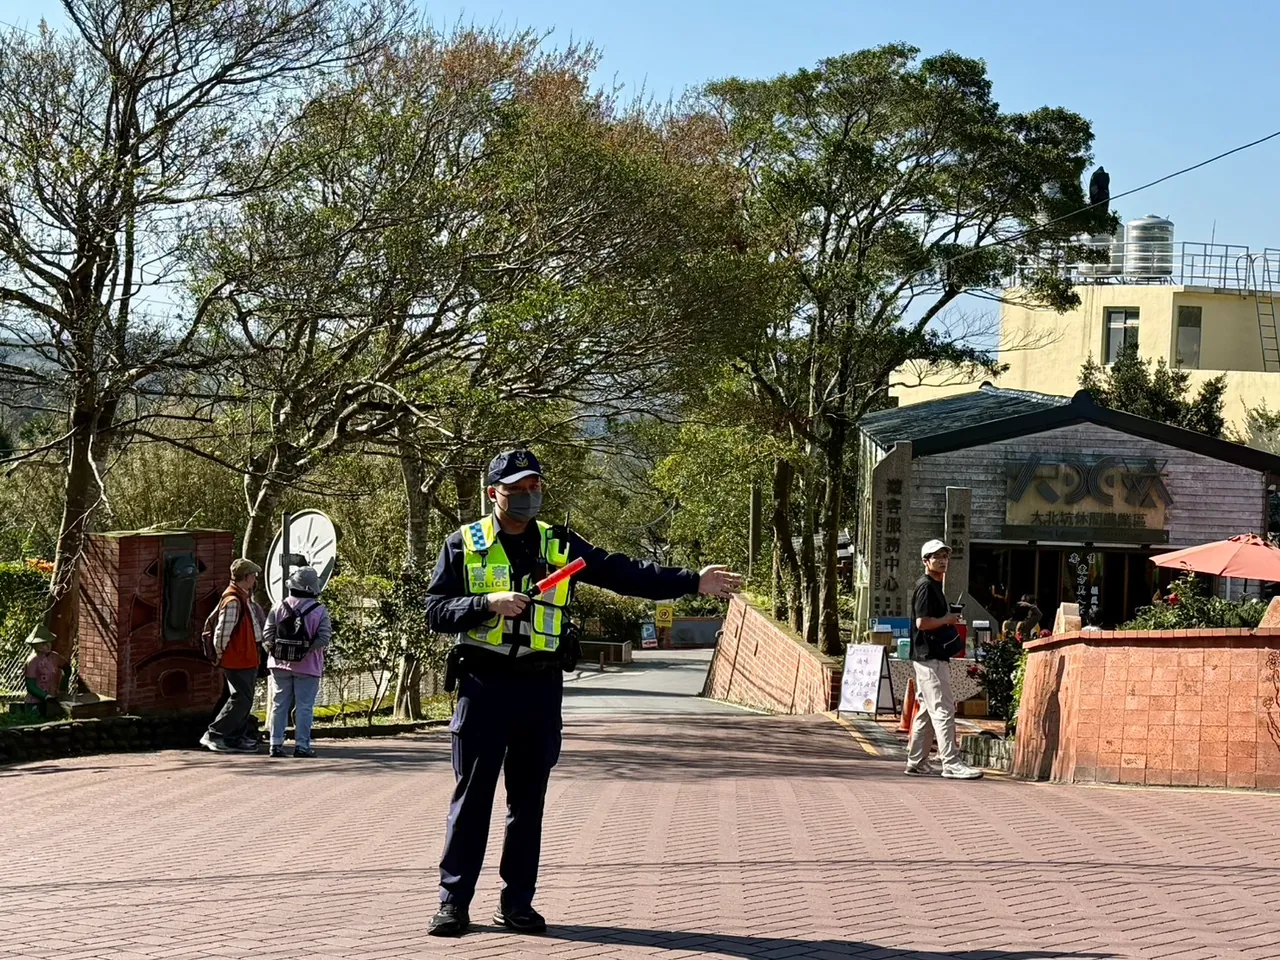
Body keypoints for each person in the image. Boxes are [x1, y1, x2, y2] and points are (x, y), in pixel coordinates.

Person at [424, 449, 742, 937]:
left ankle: (517, 904)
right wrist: (485, 603)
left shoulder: (558, 544)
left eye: (535, 487)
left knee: (527, 803)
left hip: (540, 686)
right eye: (518, 489)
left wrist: (692, 580)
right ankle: (453, 902)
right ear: (494, 494)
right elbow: (436, 610)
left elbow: (623, 573)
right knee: (472, 800)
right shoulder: (463, 544)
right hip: (483, 685)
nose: (530, 496)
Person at [905, 540, 982, 780]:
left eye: (944, 555)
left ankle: (916, 761)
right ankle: (951, 763)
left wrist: (948, 618)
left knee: (928, 710)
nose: (942, 559)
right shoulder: (926, 587)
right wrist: (948, 620)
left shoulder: (934, 586)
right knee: (944, 709)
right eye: (936, 556)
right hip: (930, 657)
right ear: (925, 561)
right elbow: (922, 622)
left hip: (929, 657)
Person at [263, 566, 332, 759]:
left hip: (278, 664)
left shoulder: (278, 606)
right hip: (308, 666)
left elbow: (267, 635)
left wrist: (277, 652)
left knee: (279, 704)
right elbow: (324, 638)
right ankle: (302, 746)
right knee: (304, 706)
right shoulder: (319, 610)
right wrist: (304, 651)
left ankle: (275, 745)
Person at [200, 558, 264, 754]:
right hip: (237, 659)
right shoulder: (233, 600)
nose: (255, 579)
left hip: (245, 657)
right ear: (246, 577)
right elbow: (222, 634)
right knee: (241, 699)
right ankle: (215, 733)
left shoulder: (240, 597)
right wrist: (220, 656)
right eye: (253, 576)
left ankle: (235, 737)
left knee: (242, 698)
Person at [23, 624, 67, 719]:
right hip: (35, 702)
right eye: (43, 643)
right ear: (35, 645)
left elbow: (67, 668)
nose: (47, 645)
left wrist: (63, 687)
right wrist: (45, 696)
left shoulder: (55, 657)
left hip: (54, 699)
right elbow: (30, 686)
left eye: (48, 642)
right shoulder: (32, 661)